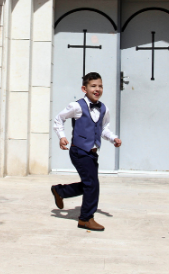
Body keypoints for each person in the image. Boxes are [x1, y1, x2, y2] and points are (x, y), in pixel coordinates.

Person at [50, 72, 122, 231]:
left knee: (90, 184)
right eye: (93, 86)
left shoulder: (104, 108)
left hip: (92, 153)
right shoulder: (76, 106)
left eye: (100, 86)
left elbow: (103, 129)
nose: (97, 89)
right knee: (92, 185)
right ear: (84, 89)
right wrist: (61, 136)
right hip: (79, 151)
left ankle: (60, 191)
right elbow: (59, 119)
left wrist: (113, 139)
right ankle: (85, 219)